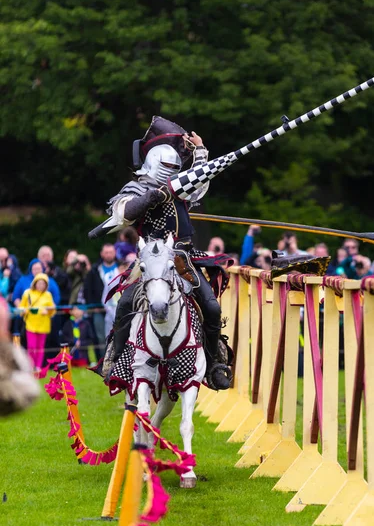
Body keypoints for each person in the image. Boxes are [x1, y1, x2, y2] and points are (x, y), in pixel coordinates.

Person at [89, 116, 231, 390]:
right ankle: (116, 361)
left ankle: (213, 366)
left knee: (211, 307)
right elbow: (123, 213)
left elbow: (199, 184)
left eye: (174, 168)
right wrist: (153, 196)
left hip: (183, 260)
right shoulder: (137, 187)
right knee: (125, 304)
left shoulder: (180, 190)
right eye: (165, 167)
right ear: (152, 164)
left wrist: (200, 153)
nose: (169, 172)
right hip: (150, 262)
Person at [84, 243, 119, 357]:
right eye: (106, 252)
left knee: (119, 334)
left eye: (111, 252)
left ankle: (117, 359)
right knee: (100, 336)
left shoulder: (121, 269)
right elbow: (88, 290)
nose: (108, 255)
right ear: (102, 254)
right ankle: (103, 360)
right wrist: (94, 307)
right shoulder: (95, 270)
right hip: (99, 309)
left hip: (118, 309)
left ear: (115, 253)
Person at [20, 273, 56, 371]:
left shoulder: (48, 295)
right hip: (31, 324)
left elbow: (53, 309)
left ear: (46, 285)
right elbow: (21, 307)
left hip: (43, 324)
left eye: (43, 284)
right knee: (31, 346)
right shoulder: (27, 293)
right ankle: (30, 365)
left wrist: (47, 311)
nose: (40, 285)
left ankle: (38, 366)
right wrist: (26, 310)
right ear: (35, 283)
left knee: (40, 347)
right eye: (39, 283)